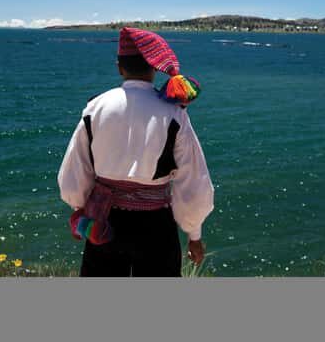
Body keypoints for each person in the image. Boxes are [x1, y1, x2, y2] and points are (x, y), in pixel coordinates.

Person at [57, 27, 215, 277]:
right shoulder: (174, 113)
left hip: (102, 220)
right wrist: (194, 234)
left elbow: (76, 169)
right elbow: (193, 179)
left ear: (119, 67)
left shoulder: (94, 109)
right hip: (156, 226)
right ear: (153, 68)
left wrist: (79, 210)